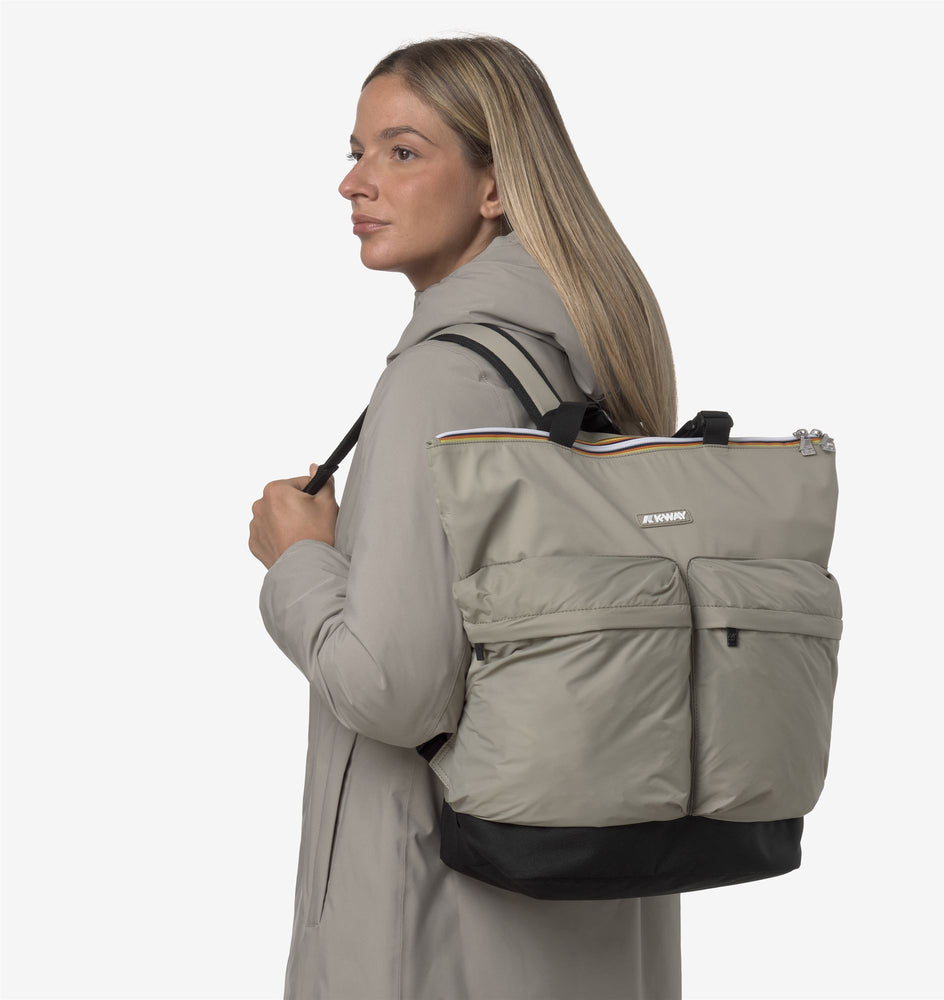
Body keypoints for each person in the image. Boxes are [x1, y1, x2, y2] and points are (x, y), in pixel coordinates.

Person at [249, 34, 681, 1000]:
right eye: (356, 151)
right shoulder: (591, 356)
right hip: (589, 920)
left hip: (431, 930)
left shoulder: (443, 379)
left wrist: (298, 560)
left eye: (402, 151)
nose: (355, 183)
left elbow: (394, 690)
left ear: (494, 186)